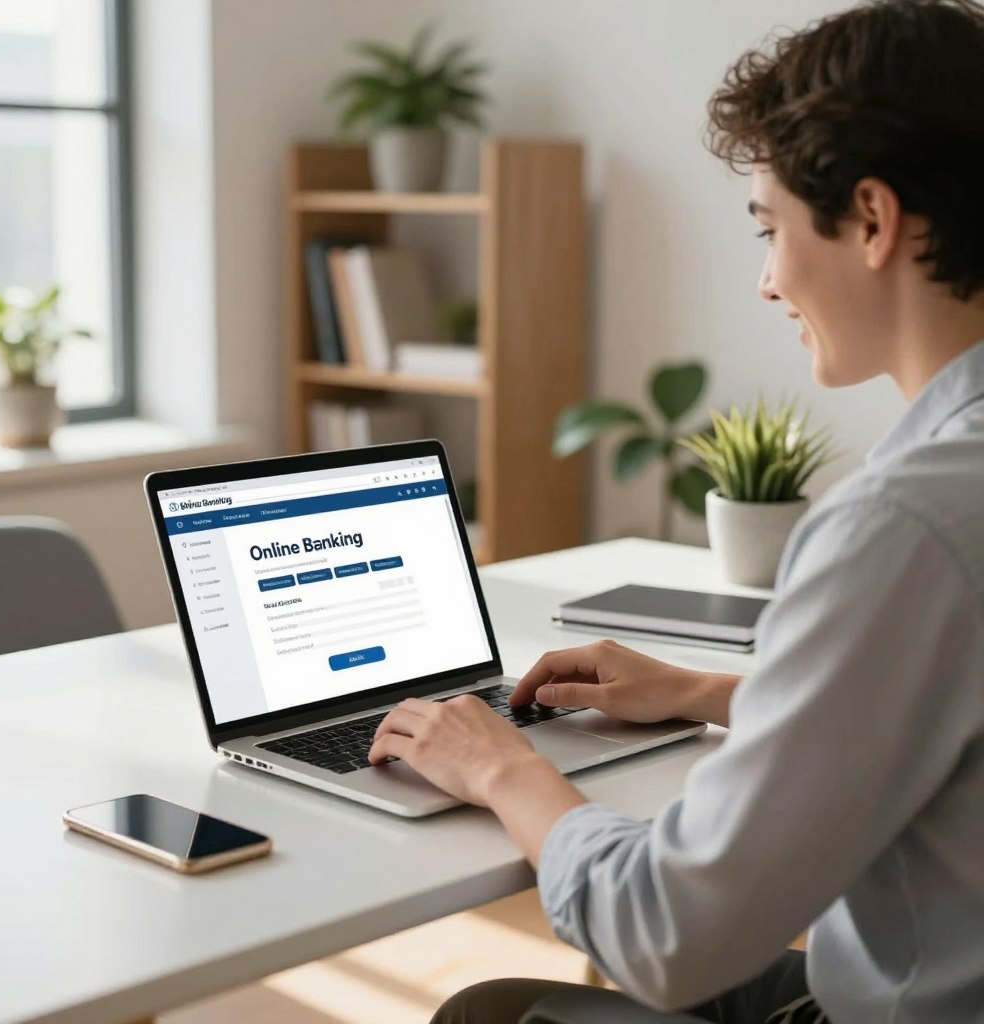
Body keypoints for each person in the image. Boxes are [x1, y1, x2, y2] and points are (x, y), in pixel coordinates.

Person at [367, 1, 984, 1021]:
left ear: (871, 220)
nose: (766, 280)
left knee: (486, 1013)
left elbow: (667, 934)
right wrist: (707, 689)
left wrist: (504, 768)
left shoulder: (904, 523)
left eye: (770, 227)